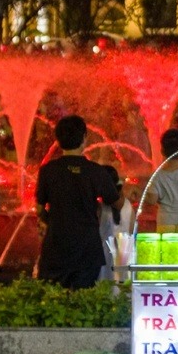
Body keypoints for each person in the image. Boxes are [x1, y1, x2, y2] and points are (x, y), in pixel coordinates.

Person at [34, 115, 119, 288]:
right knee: (82, 300)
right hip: (87, 249)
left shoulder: (48, 171)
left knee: (54, 301)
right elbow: (116, 202)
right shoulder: (95, 171)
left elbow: (39, 207)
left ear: (57, 140)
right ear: (84, 138)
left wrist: (47, 220)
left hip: (56, 247)